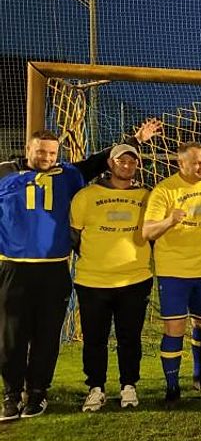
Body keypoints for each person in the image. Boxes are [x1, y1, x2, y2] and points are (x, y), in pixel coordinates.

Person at [0, 118, 161, 422]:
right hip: (12, 268)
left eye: (51, 153)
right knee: (11, 335)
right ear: (28, 149)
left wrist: (136, 138)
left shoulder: (68, 174)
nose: (46, 158)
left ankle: (37, 393)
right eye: (41, 152)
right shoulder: (5, 173)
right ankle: (10, 395)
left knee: (47, 335)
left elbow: (104, 160)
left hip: (54, 269)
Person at [143, 141, 201, 403]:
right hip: (173, 271)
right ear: (181, 164)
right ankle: (172, 386)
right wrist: (169, 221)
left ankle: (199, 378)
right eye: (196, 163)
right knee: (175, 329)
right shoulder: (165, 191)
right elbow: (147, 232)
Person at [70, 144, 153, 412]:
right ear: (110, 163)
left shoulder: (146, 196)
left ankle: (129, 385)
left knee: (130, 337)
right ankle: (96, 388)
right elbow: (74, 236)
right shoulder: (86, 196)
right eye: (121, 161)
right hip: (93, 281)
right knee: (95, 338)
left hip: (135, 279)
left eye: (132, 161)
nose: (127, 165)